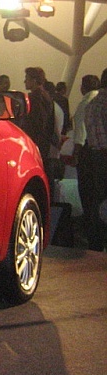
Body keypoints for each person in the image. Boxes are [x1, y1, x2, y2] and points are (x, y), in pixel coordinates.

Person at [82, 68, 107, 251]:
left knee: (98, 200)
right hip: (104, 154)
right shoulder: (103, 103)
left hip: (95, 156)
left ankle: (96, 241)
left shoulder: (91, 104)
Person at [22, 67, 57, 171]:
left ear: (34, 80)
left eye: (27, 78)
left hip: (37, 143)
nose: (25, 81)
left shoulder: (36, 97)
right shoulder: (44, 95)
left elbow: (38, 122)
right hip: (43, 142)